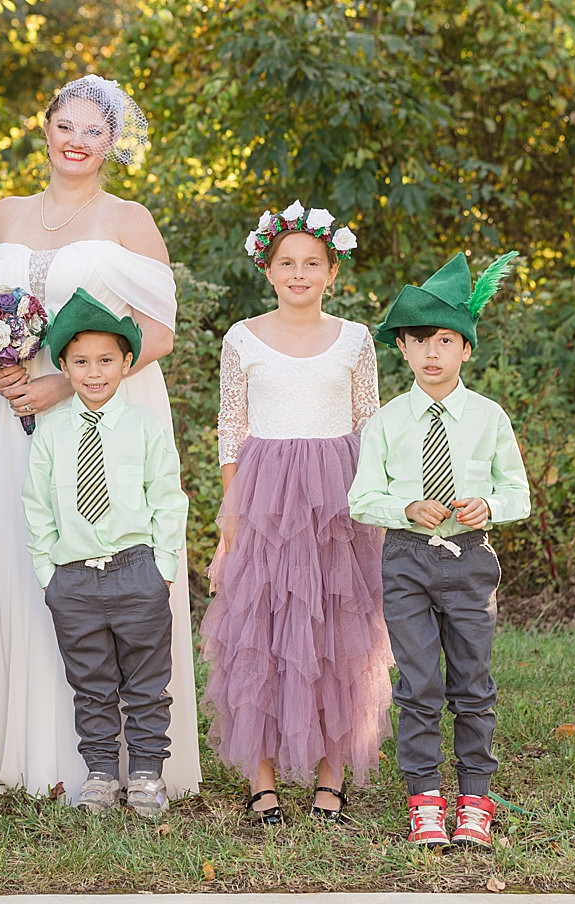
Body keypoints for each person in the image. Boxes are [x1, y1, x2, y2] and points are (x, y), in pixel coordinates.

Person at [0, 75, 202, 802]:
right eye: (66, 125)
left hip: (103, 406)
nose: (76, 140)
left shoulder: (130, 218)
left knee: (118, 566)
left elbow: (160, 331)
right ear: (46, 128)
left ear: (113, 142)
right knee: (27, 558)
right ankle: (31, 757)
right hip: (15, 415)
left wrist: (69, 381)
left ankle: (136, 764)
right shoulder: (1, 214)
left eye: (94, 130)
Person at [201, 203, 394, 825]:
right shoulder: (243, 338)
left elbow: (370, 422)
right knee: (261, 624)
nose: (300, 273)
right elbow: (231, 429)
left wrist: (379, 506)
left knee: (338, 629)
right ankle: (262, 780)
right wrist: (231, 522)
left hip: (340, 496)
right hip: (266, 496)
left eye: (313, 263)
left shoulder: (356, 339)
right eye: (287, 263)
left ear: (333, 271)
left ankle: (330, 777)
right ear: (269, 269)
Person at [348, 251, 530, 851]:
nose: (432, 353)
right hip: (405, 561)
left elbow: (517, 493)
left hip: (470, 560)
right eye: (419, 340)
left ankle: (474, 795)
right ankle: (424, 797)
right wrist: (403, 508)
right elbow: (360, 497)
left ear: (466, 349)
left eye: (445, 340)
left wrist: (489, 507)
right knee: (420, 681)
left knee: (473, 681)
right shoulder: (387, 422)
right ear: (402, 349)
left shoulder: (488, 418)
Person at [22, 291, 189, 817]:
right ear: (64, 366)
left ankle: (145, 775)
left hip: (136, 571)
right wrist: (48, 572)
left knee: (145, 682)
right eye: (81, 362)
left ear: (125, 363)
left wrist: (163, 568)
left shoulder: (143, 427)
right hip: (72, 580)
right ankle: (99, 773)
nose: (94, 373)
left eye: (105, 361)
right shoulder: (51, 430)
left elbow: (167, 496)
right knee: (90, 683)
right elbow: (37, 505)